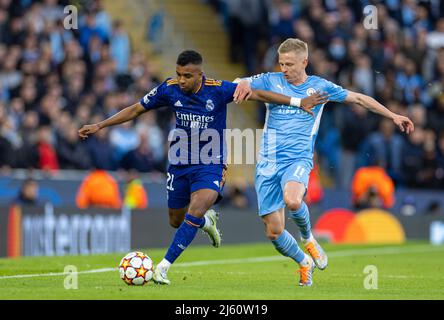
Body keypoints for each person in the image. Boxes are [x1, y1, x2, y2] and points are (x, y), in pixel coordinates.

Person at [78, 50, 327, 285]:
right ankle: (206, 221)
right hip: (179, 163)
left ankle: (163, 267)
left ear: (200, 74)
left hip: (211, 163)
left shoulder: (218, 90)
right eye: (179, 74)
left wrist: (298, 101)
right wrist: (100, 125)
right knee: (177, 220)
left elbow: (260, 95)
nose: (182, 80)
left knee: (197, 207)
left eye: (187, 76)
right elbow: (135, 109)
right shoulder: (170, 89)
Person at [234, 38, 414, 286]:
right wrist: (242, 81)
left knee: (293, 199)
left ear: (304, 62)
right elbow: (237, 84)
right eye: (281, 63)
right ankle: (303, 261)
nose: (283, 69)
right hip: (268, 162)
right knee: (274, 232)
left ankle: (309, 239)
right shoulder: (270, 80)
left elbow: (359, 99)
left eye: (289, 64)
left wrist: (393, 115)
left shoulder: (320, 87)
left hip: (298, 158)